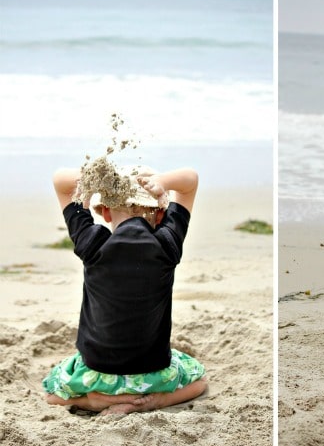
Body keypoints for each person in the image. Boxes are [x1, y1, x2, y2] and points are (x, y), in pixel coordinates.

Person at [42, 164, 207, 415]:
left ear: (105, 212)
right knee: (200, 382)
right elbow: (190, 180)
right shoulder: (167, 244)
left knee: (52, 394)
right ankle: (155, 401)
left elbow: (59, 180)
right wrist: (161, 181)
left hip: (97, 374)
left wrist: (94, 183)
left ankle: (95, 402)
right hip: (151, 375)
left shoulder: (91, 243)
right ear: (160, 215)